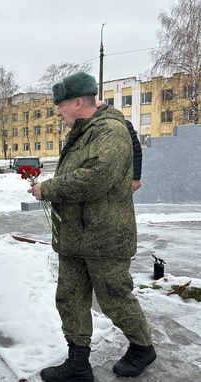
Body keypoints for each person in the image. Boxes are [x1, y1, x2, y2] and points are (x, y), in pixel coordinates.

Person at [29, 72, 156, 381]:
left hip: (105, 237)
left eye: (59, 105)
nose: (57, 112)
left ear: (76, 102)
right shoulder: (81, 132)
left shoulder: (109, 130)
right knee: (70, 299)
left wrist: (50, 189)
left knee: (115, 299)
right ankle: (78, 363)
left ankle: (142, 347)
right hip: (75, 237)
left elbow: (97, 177)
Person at [96, 100, 142, 192]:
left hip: (121, 178)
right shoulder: (94, 126)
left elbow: (136, 151)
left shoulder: (123, 125)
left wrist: (135, 178)